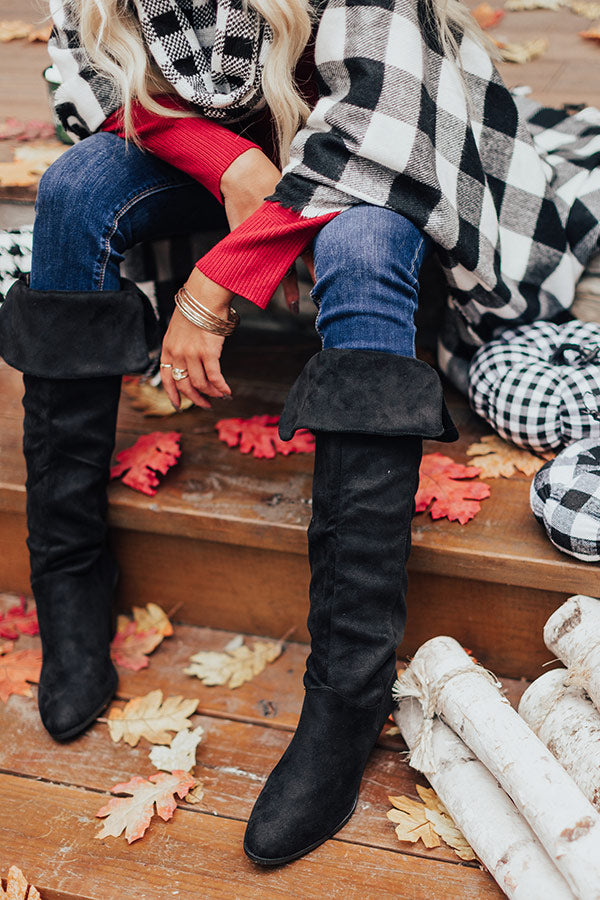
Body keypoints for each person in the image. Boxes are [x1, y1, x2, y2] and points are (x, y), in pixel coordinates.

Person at [0, 0, 599, 868]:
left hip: (389, 139)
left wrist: (216, 284)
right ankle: (70, 577)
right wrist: (231, 160)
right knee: (71, 193)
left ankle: (348, 690)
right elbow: (97, 79)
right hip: (229, 142)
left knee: (360, 250)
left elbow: (384, 119)